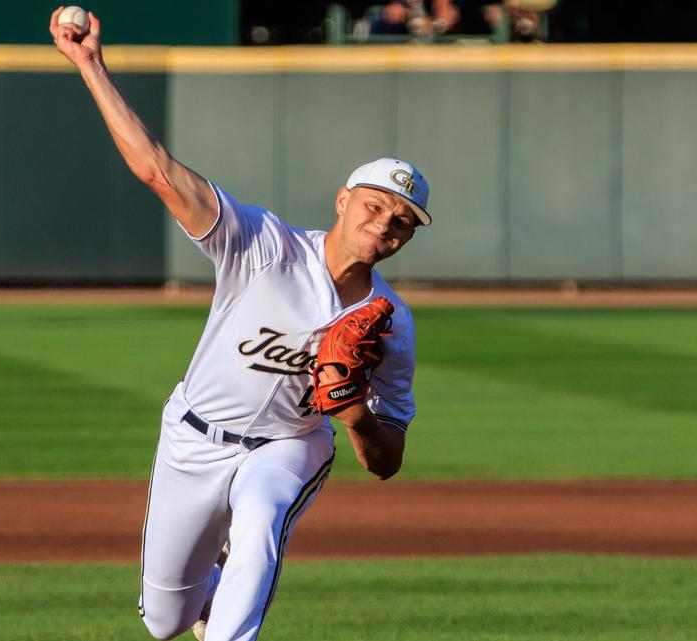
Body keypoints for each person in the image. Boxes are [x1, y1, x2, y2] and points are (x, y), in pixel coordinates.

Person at [49, 9, 430, 641]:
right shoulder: (262, 245)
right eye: (375, 206)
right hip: (194, 438)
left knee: (260, 521)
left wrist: (354, 413)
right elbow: (156, 169)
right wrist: (90, 64)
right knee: (165, 621)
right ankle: (206, 601)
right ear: (344, 199)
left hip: (290, 447)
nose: (384, 225)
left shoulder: (391, 323)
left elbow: (387, 460)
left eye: (401, 221)